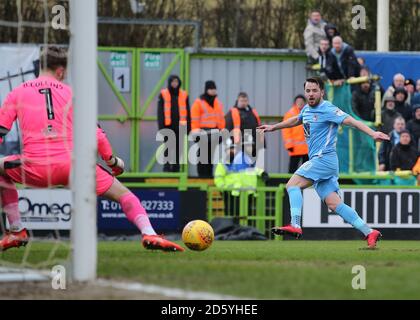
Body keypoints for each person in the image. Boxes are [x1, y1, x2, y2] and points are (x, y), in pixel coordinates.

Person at [0, 47, 184, 252]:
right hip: (74, 168)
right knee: (125, 195)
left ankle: (16, 229)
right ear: (60, 71)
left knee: (0, 170)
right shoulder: (72, 94)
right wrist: (112, 162)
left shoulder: (17, 92)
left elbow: (1, 130)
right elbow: (97, 134)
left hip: (34, 167)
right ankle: (149, 232)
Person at [258, 77, 389, 248]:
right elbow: (297, 119)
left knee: (292, 185)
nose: (311, 94)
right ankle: (369, 231)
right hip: (322, 162)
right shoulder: (306, 109)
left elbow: (351, 121)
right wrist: (274, 127)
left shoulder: (328, 109)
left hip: (324, 159)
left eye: (314, 90)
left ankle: (295, 225)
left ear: (322, 92)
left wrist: (372, 133)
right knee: (334, 203)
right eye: (308, 91)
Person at [191, 80, 225, 178]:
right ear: (206, 90)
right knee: (203, 155)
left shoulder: (217, 103)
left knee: (211, 156)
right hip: (202, 133)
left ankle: (209, 176)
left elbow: (221, 118)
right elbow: (194, 119)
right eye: (211, 89)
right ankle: (202, 176)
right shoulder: (198, 103)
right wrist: (195, 132)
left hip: (214, 133)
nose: (213, 91)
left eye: (214, 89)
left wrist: (222, 131)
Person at [157, 75, 190, 172]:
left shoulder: (184, 95)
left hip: (180, 126)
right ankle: (166, 168)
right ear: (170, 83)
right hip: (168, 126)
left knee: (178, 148)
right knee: (168, 147)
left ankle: (176, 169)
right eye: (173, 82)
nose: (175, 84)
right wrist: (161, 127)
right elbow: (160, 112)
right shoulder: (163, 94)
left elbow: (188, 111)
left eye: (176, 82)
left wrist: (188, 128)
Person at [225, 92, 262, 159]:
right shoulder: (232, 112)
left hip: (253, 143)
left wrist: (262, 142)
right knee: (240, 164)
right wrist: (230, 145)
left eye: (245, 101)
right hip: (238, 145)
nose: (243, 103)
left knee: (252, 164)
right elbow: (228, 130)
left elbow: (258, 127)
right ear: (238, 101)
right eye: (241, 101)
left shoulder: (253, 112)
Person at [282, 95, 309, 173]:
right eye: (298, 102)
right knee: (292, 168)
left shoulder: (308, 112)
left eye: (301, 102)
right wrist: (289, 145)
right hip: (294, 148)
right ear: (295, 103)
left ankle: (306, 184)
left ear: (305, 103)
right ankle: (291, 184)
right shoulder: (290, 114)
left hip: (307, 148)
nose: (300, 103)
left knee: (307, 169)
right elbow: (286, 130)